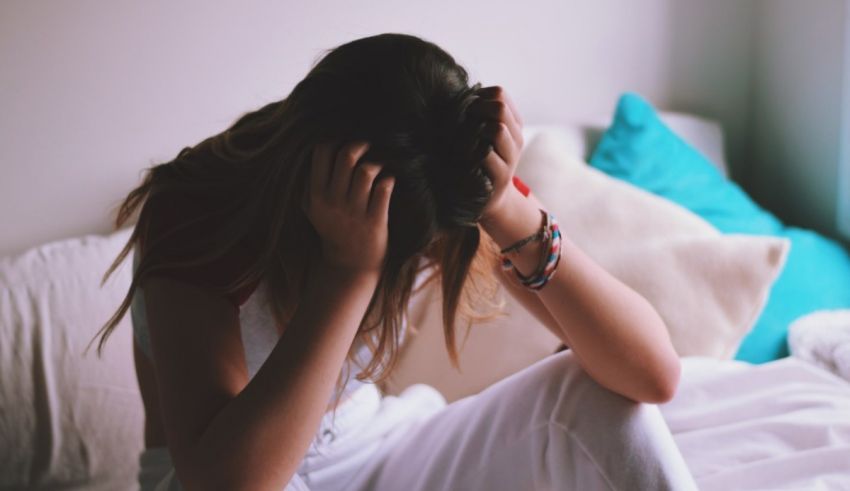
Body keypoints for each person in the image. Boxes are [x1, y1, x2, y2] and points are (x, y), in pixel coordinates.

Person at [89, 33, 698, 490]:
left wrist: (504, 208)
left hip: (371, 448)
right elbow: (226, 483)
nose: (413, 261)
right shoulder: (199, 206)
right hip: (230, 471)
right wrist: (348, 273)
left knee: (590, 401)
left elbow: (653, 375)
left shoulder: (428, 170)